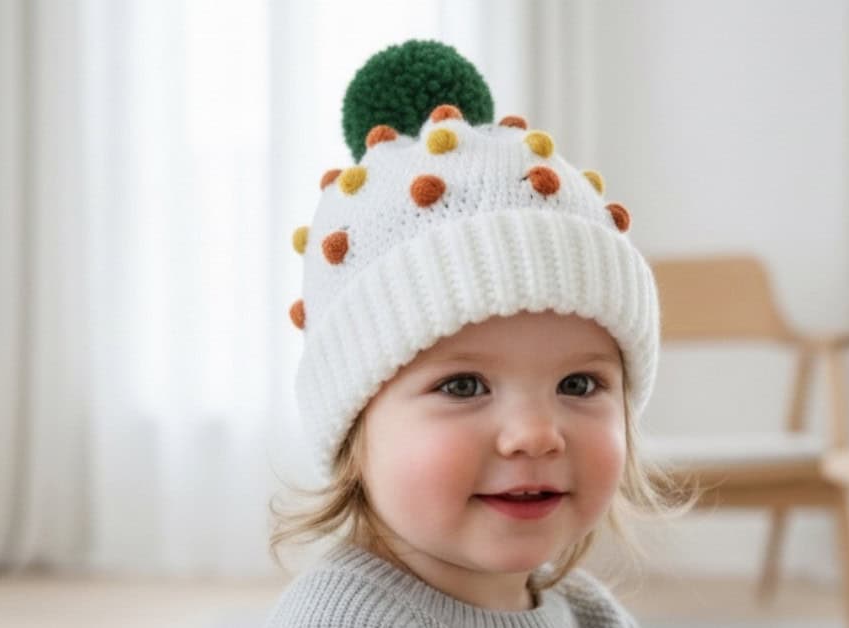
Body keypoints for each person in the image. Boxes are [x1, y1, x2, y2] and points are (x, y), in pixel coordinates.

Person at [268, 39, 694, 627]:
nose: (535, 436)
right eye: (464, 386)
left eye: (578, 383)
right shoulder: (343, 619)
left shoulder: (589, 612)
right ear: (351, 430)